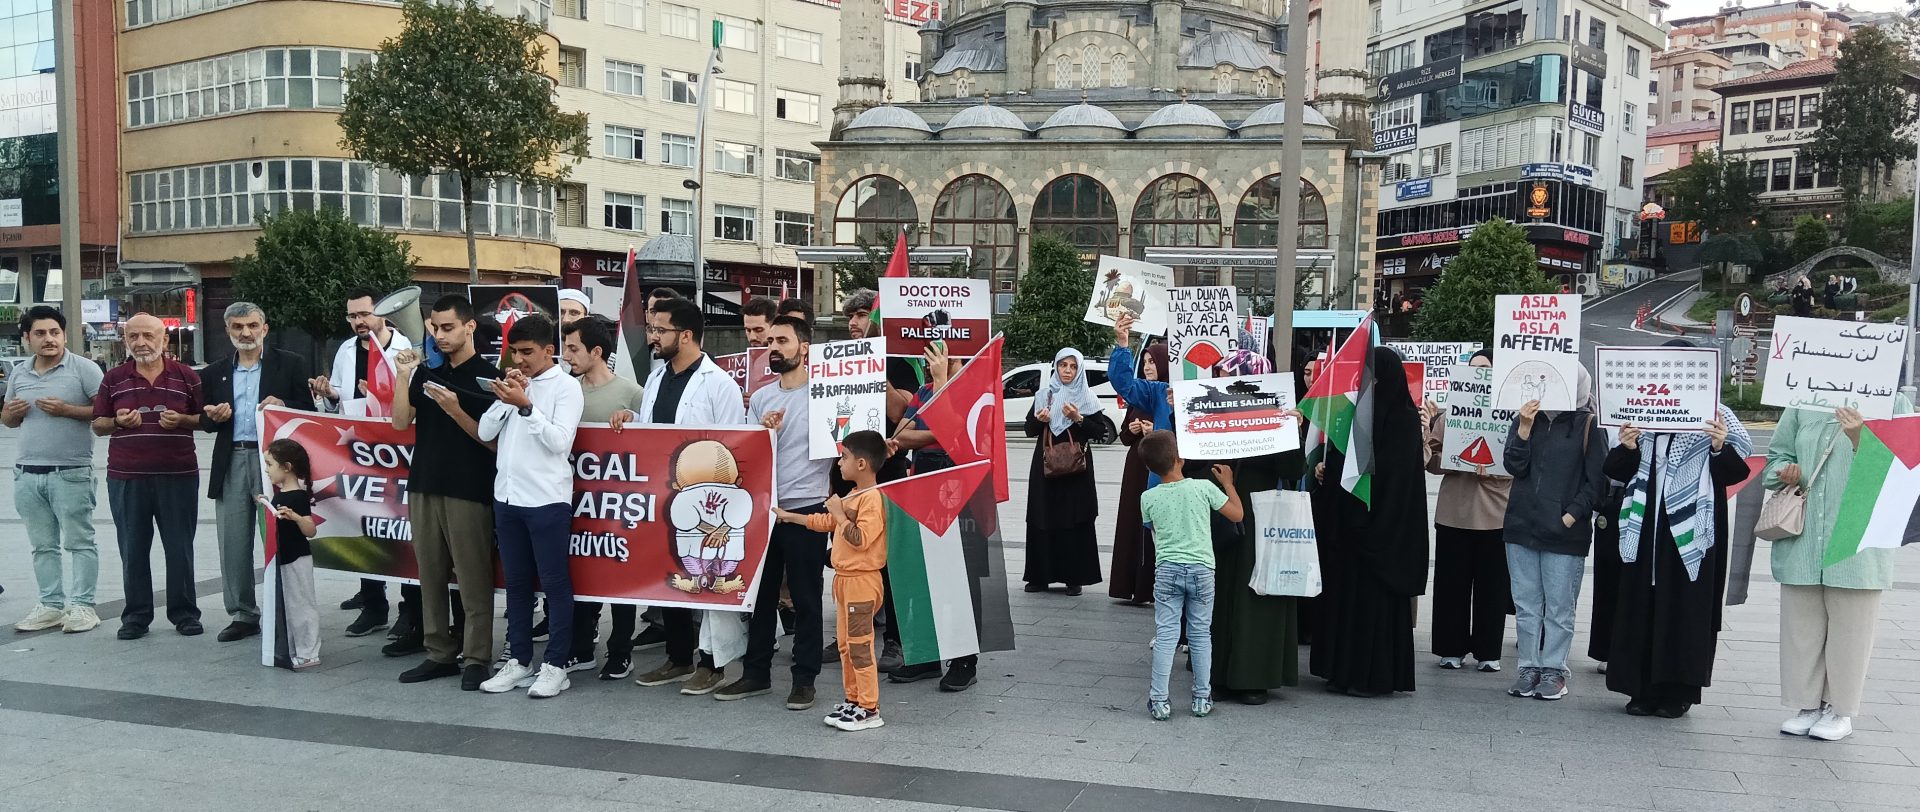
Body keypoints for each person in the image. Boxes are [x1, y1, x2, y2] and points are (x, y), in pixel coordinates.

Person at [1763, 402, 1908, 742]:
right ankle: (1806, 705)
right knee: (1802, 626)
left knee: (1852, 629)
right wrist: (1788, 471)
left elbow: (1901, 472)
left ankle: (1840, 710)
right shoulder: (1801, 403)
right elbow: (1775, 459)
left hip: (1858, 538)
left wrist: (1860, 438)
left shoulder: (1893, 403)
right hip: (1803, 535)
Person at [624, 297, 747, 694]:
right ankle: (678, 657)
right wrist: (630, 420)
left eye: (660, 330)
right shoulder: (657, 378)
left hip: (708, 504)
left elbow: (732, 447)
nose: (653, 337)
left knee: (708, 579)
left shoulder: (719, 384)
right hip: (664, 497)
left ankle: (712, 663)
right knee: (672, 579)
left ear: (687, 335)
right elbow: (650, 434)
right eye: (652, 329)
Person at [1604, 396, 1753, 719]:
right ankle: (1640, 690)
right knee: (1641, 602)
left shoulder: (1715, 414)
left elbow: (1735, 470)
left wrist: (1718, 445)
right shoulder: (1641, 412)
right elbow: (1615, 470)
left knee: (1685, 606)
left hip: (1691, 527)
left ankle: (1677, 693)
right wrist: (1628, 447)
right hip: (1644, 526)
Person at [713, 315, 833, 710]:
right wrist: (763, 433)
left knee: (805, 596)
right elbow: (744, 455)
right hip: (764, 511)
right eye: (771, 341)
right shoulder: (762, 398)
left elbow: (842, 445)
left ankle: (804, 678)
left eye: (783, 340)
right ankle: (755, 673)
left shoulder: (825, 394)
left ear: (804, 347)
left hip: (805, 508)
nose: (775, 347)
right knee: (759, 597)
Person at [389, 296, 503, 690]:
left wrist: (456, 409)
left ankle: (476, 656)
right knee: (430, 576)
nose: (439, 335)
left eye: (448, 327)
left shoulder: (489, 377)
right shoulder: (426, 372)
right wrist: (404, 375)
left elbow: (492, 443)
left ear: (469, 327)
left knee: (473, 578)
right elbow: (401, 422)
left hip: (469, 488)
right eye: (435, 328)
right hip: (423, 483)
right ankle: (438, 652)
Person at [477, 315, 584, 698]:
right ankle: (519, 662)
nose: (520, 360)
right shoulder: (513, 385)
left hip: (546, 500)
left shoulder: (567, 388)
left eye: (527, 353)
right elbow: (485, 432)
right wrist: (507, 399)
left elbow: (559, 443)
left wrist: (526, 407)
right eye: (515, 352)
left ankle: (556, 665)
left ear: (548, 351)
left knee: (555, 584)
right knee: (517, 586)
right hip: (507, 498)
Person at [1312, 347, 1428, 697]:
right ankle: (1342, 670)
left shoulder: (1403, 421)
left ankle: (1373, 676)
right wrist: (1328, 471)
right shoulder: (1356, 416)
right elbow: (1345, 464)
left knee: (1375, 607)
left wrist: (1370, 519)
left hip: (1383, 532)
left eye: (1374, 377)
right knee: (1347, 601)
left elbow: (1398, 480)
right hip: (1352, 530)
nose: (1369, 384)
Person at [198, 302, 316, 644]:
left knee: (279, 535)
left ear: (264, 328)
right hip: (232, 460)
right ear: (228, 331)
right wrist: (213, 416)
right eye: (238, 327)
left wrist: (285, 406)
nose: (245, 333)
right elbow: (203, 420)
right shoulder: (215, 372)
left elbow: (309, 411)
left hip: (275, 464)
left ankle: (283, 605)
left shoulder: (289, 363)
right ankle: (242, 613)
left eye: (252, 326)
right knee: (233, 541)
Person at [92, 313, 205, 640]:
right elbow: (98, 424)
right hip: (127, 476)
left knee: (180, 547)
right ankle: (136, 617)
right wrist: (117, 422)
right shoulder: (113, 378)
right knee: (133, 548)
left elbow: (205, 418)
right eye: (134, 336)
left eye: (148, 336)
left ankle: (184, 613)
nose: (141, 342)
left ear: (164, 340)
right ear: (125, 340)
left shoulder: (186, 377)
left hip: (178, 474)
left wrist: (183, 419)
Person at [312, 287, 414, 638]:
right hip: (361, 453)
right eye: (352, 316)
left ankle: (410, 609)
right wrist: (329, 394)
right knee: (366, 522)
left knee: (403, 530)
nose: (358, 322)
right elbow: (341, 400)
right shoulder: (346, 349)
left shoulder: (407, 347)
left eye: (364, 314)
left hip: (402, 453)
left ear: (382, 313)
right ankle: (373, 603)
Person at [1501, 367, 1607, 701]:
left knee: (1559, 607)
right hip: (1521, 526)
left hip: (1564, 534)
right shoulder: (1525, 417)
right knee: (1527, 604)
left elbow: (1598, 483)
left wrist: (1570, 516)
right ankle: (1529, 666)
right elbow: (1514, 467)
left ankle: (1554, 669)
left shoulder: (1588, 424)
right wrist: (1524, 429)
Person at [774, 430, 891, 732]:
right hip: (845, 581)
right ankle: (853, 700)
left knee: (860, 647)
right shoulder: (854, 495)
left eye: (845, 457)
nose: (840, 463)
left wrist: (839, 513)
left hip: (862, 582)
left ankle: (869, 706)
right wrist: (791, 517)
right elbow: (824, 522)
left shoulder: (872, 500)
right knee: (846, 648)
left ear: (862, 464)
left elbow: (860, 538)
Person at [886, 340, 984, 690]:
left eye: (944, 356)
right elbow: (900, 434)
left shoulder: (973, 388)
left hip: (961, 488)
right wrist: (933, 436)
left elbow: (957, 433)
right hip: (924, 483)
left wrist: (929, 430)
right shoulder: (924, 390)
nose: (933, 362)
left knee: (960, 574)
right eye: (930, 356)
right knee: (923, 571)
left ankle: (964, 660)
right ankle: (926, 654)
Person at [554, 316, 647, 681]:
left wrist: (633, 417)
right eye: (565, 348)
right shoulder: (567, 389)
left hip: (618, 504)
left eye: (574, 348)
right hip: (574, 498)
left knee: (619, 577)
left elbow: (654, 435)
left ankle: (621, 650)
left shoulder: (630, 391)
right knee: (581, 571)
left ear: (597, 351)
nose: (567, 356)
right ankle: (581, 648)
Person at [3, 306, 104, 634]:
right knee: (42, 545)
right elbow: (7, 420)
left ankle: (83, 606)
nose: (49, 339)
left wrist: (66, 410)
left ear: (64, 335)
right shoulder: (19, 373)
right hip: (28, 474)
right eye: (40, 333)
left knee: (80, 542)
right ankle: (50, 604)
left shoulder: (84, 369)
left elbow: (105, 416)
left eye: (54, 333)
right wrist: (11, 414)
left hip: (71, 472)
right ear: (26, 338)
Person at [1138, 430, 1244, 720]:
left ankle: (1159, 700)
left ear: (1149, 467)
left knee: (1166, 636)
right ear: (1179, 459)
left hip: (1167, 570)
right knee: (1200, 635)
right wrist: (1229, 484)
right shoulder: (1203, 488)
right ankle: (1200, 697)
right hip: (1202, 570)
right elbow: (1236, 514)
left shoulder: (1147, 498)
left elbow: (1153, 529)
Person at [1421, 348, 1510, 672]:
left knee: (1492, 587)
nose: (1477, 375)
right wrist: (1429, 437)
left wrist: (1495, 468)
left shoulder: (1511, 415)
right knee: (1451, 585)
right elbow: (1431, 464)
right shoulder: (1448, 417)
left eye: (1484, 370)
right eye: (1473, 370)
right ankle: (1450, 648)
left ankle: (1489, 651)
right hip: (1453, 513)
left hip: (1495, 513)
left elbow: (1520, 462)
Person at [1022, 347, 1112, 595]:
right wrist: (1040, 420)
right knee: (1042, 515)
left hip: (1076, 469)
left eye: (1073, 366)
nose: (1068, 371)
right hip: (1045, 466)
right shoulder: (1044, 395)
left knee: (1075, 518)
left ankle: (1075, 577)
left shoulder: (1087, 397)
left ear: (1079, 369)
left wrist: (1078, 417)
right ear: (1056, 367)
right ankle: (1039, 577)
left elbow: (1100, 432)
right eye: (1063, 366)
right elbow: (1029, 430)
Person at [1106, 335, 1170, 604]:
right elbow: (1125, 385)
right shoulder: (1158, 391)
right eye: (1144, 361)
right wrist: (1122, 347)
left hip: (1187, 484)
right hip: (1154, 478)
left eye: (1152, 361)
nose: (1147, 366)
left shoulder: (1197, 390)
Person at [263, 438, 322, 669]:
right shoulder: (281, 494)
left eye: (270, 465)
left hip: (297, 557)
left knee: (302, 604)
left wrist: (295, 517)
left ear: (286, 467)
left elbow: (311, 530)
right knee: (289, 603)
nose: (267, 470)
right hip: (284, 556)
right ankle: (294, 647)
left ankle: (309, 652)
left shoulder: (297, 496)